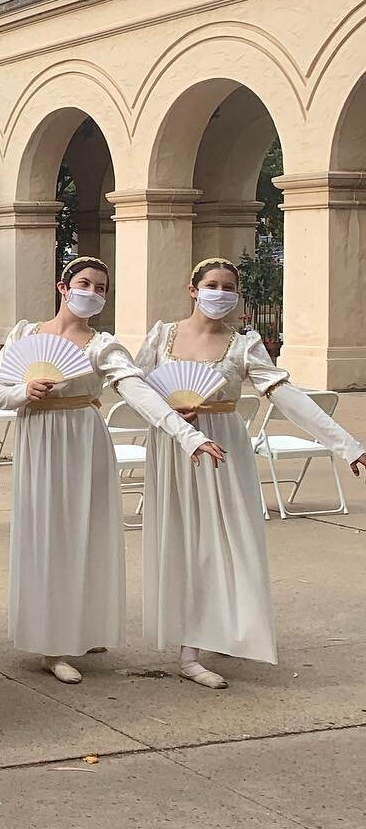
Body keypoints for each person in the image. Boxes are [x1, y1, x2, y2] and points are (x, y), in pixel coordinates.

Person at [0, 256, 225, 684]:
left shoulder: (102, 345)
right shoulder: (25, 334)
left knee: (85, 533)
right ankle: (51, 644)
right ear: (63, 287)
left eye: (100, 288)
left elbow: (138, 392)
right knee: (46, 534)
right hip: (38, 437)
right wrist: (23, 391)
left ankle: (82, 627)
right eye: (84, 283)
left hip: (84, 438)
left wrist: (187, 435)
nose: (92, 293)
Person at [137, 257, 366, 689]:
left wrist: (346, 444)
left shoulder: (244, 345)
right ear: (193, 289)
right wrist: (166, 410)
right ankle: (190, 644)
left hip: (224, 446)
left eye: (229, 287)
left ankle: (208, 634)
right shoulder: (163, 336)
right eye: (212, 285)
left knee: (224, 540)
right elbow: (134, 388)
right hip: (172, 445)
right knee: (183, 541)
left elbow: (287, 396)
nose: (219, 293)